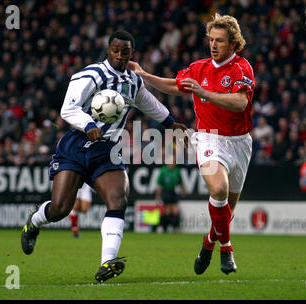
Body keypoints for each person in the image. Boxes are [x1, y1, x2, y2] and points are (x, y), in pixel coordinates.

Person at [21, 30, 187, 283]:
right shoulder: (91, 74)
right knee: (60, 209)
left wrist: (171, 123)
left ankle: (107, 262)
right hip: (77, 145)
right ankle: (33, 223)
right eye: (116, 50)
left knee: (118, 200)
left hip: (107, 149)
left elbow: (149, 103)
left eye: (126, 52)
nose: (120, 56)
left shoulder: (134, 81)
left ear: (132, 53)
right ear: (108, 50)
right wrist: (88, 125)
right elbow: (68, 108)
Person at [129, 13, 255, 275]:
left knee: (227, 212)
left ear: (234, 44)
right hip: (208, 137)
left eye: (220, 40)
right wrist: (144, 76)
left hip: (240, 143)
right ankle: (227, 250)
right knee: (218, 189)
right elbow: (176, 86)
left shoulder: (242, 68)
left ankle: (209, 242)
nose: (214, 45)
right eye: (211, 39)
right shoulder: (198, 67)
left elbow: (240, 103)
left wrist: (203, 92)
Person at [155, 158, 185, 232]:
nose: (172, 163)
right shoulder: (163, 171)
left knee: (175, 211)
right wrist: (158, 196)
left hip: (173, 192)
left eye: (174, 162)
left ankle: (172, 226)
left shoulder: (177, 171)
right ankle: (165, 227)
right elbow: (159, 185)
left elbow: (180, 182)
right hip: (165, 192)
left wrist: (183, 191)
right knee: (167, 210)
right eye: (171, 162)